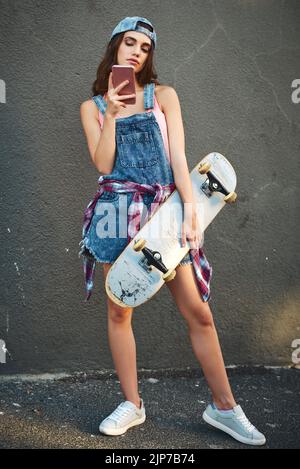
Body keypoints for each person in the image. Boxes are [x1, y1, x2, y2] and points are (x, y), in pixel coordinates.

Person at [78, 16, 266, 446]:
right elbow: (104, 165)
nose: (136, 53)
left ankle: (224, 408)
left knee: (199, 312)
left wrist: (191, 212)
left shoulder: (164, 96)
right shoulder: (93, 107)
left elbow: (179, 160)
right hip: (117, 210)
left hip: (164, 211)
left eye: (144, 48)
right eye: (130, 43)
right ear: (114, 47)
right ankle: (133, 404)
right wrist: (111, 109)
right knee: (119, 308)